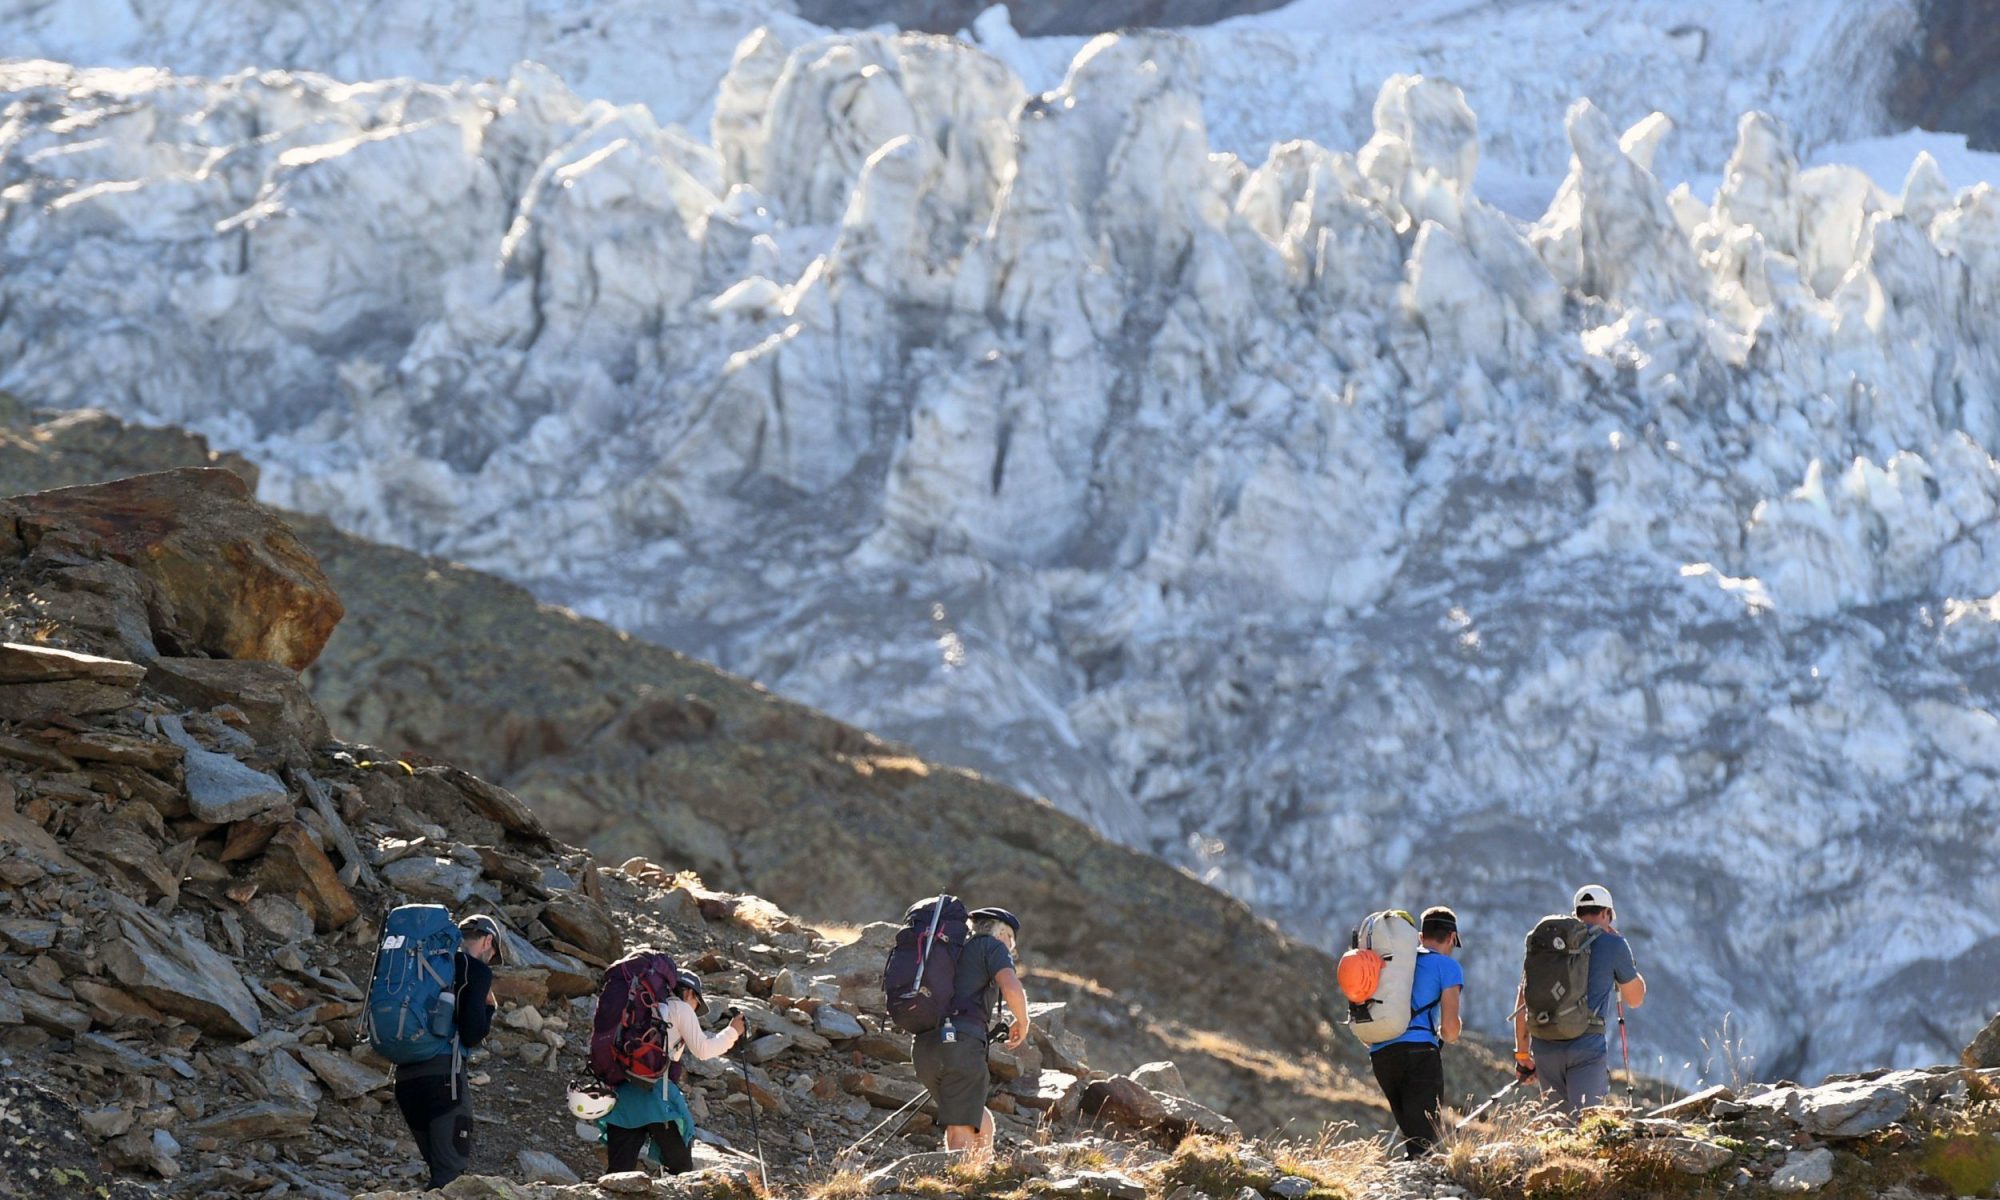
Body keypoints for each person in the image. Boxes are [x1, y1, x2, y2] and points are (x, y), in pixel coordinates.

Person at [911, 906, 1031, 1164]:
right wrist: (1023, 1020)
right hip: (960, 1044)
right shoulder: (991, 946)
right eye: (1010, 937)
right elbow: (1010, 985)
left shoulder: (950, 949)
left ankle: (980, 1171)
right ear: (1001, 933)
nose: (1011, 944)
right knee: (962, 1126)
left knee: (973, 1114)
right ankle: (958, 1183)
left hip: (925, 1047)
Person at [1513, 884, 1646, 1115]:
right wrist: (1626, 961)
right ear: (1607, 914)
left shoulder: (1548, 944)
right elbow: (1635, 999)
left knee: (1557, 1126)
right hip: (1586, 1047)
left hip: (1545, 1046)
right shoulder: (1613, 944)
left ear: (1576, 914)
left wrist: (1523, 1054)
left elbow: (1523, 999)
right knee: (1587, 1123)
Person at [393, 914, 501, 1190]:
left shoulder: (425, 962)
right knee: (450, 1177)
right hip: (443, 1081)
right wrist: (489, 1008)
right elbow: (472, 1032)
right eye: (492, 954)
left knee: (440, 1176)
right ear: (488, 940)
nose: (490, 961)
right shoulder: (473, 968)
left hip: (405, 1079)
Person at [601, 972, 747, 1174]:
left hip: (623, 1093)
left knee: (618, 1172)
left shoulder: (639, 1007)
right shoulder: (681, 1008)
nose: (695, 1010)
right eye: (697, 1003)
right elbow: (703, 1050)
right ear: (688, 993)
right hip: (657, 1096)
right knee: (682, 1167)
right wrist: (733, 1032)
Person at [1365, 905, 1464, 1157]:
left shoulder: (1394, 962)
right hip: (1419, 1055)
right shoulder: (1446, 967)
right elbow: (1450, 1031)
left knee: (1413, 1136)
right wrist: (1446, 1031)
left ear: (1420, 937)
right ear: (1452, 937)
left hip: (1381, 1054)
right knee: (1424, 1142)